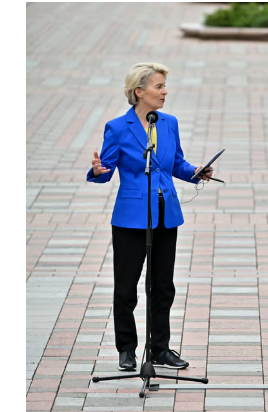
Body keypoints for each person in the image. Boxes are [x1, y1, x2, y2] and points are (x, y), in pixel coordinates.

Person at [87, 62, 214, 371]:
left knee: (163, 286)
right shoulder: (118, 128)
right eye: (159, 86)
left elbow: (176, 163)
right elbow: (106, 169)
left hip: (166, 215)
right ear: (139, 91)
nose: (165, 92)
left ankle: (160, 349)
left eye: (164, 86)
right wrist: (98, 171)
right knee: (126, 287)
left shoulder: (169, 123)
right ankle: (126, 350)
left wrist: (196, 171)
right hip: (131, 218)